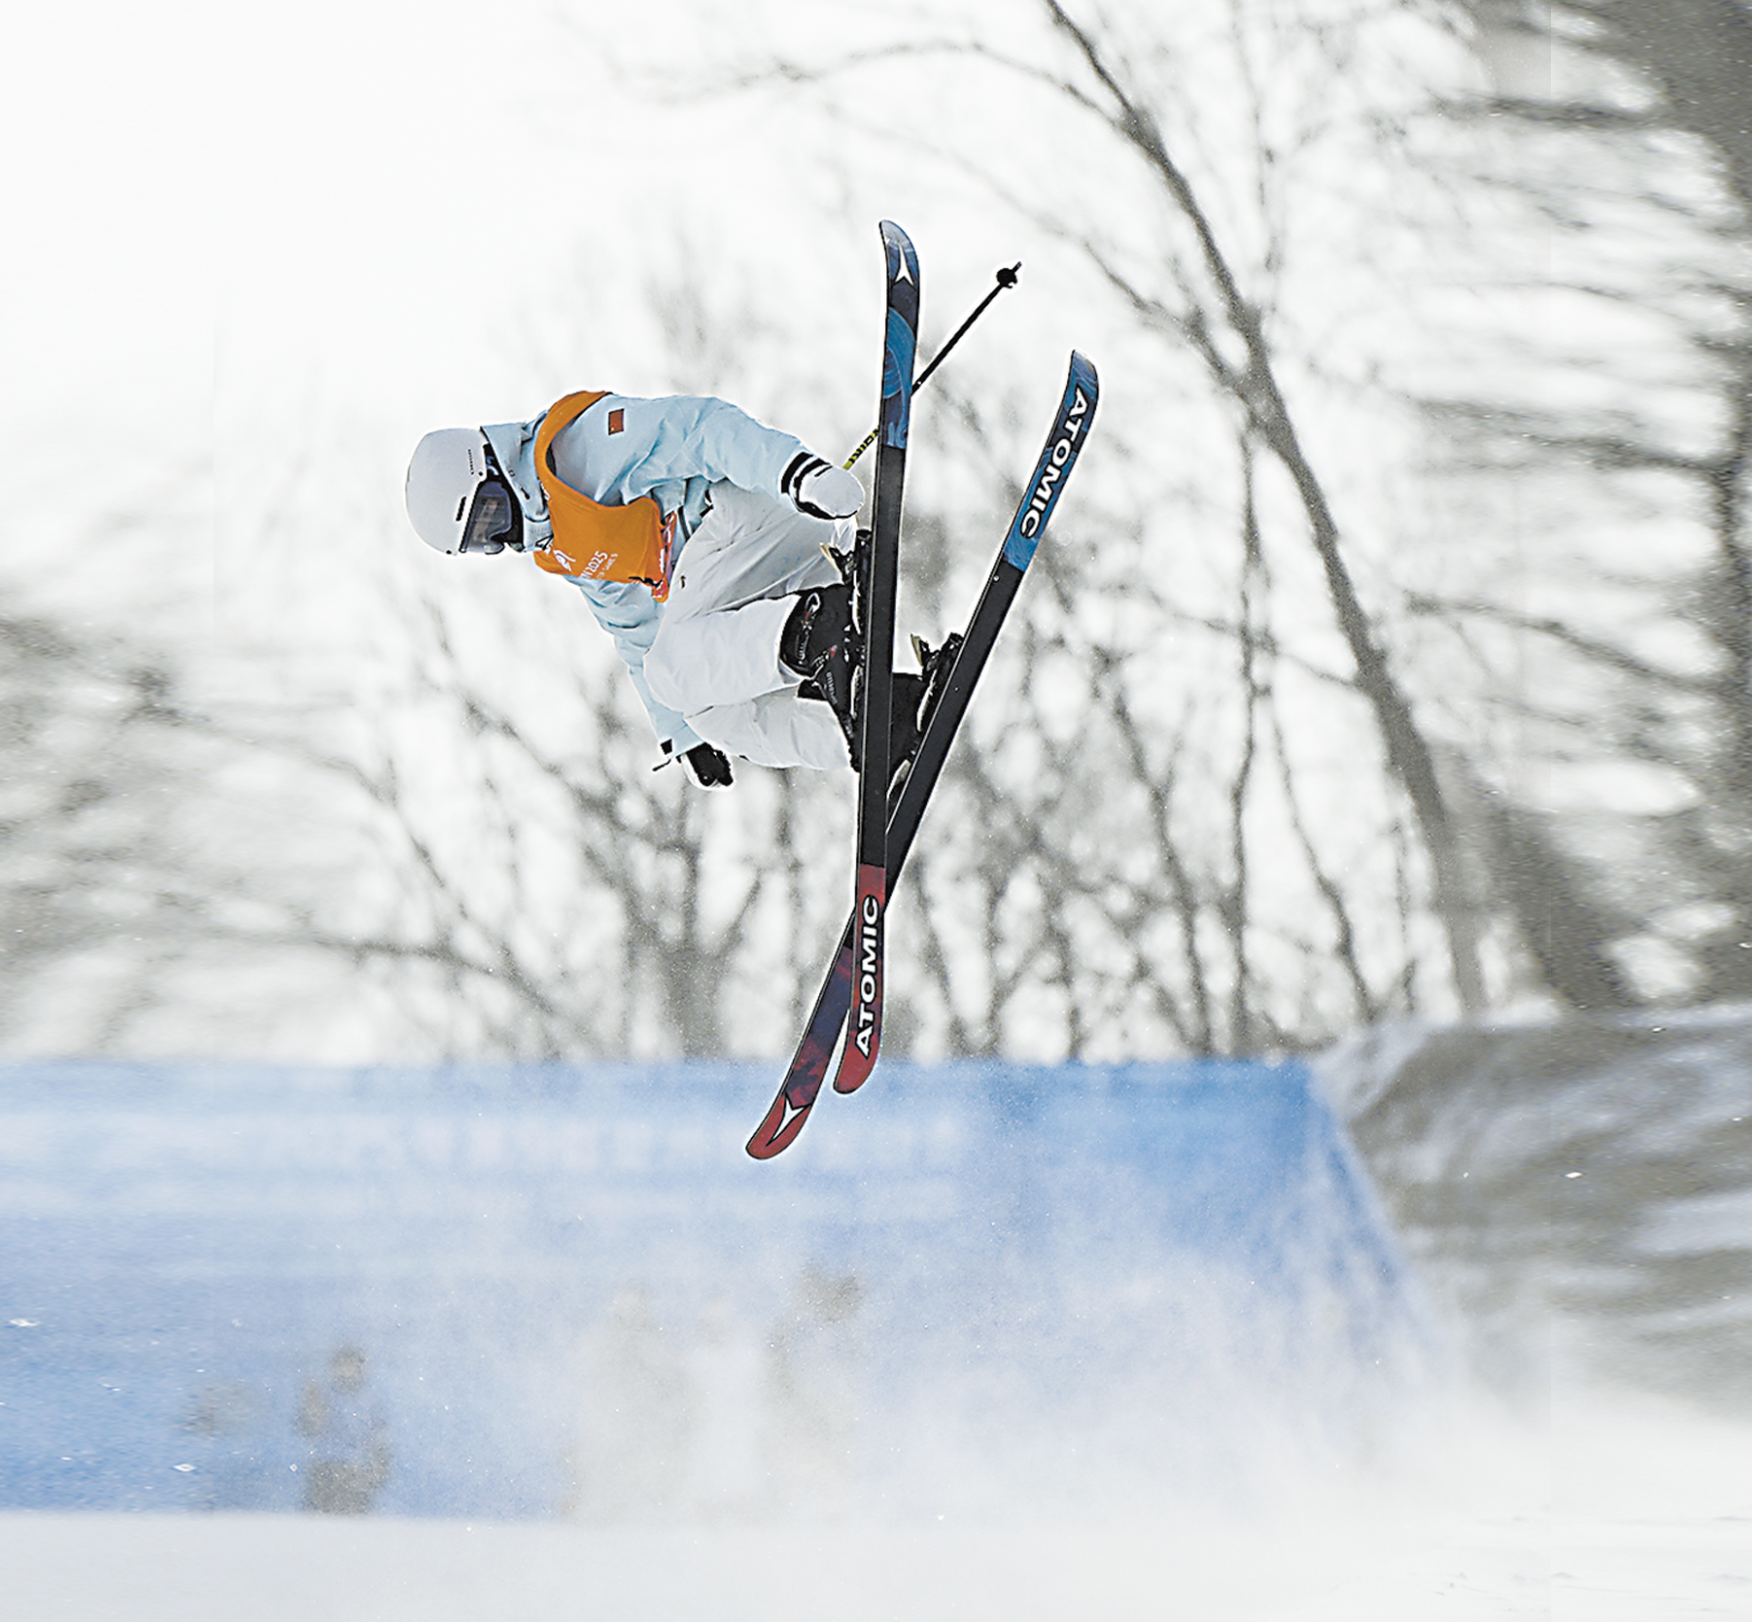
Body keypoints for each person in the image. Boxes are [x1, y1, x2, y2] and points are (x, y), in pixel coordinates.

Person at [405, 389, 928, 789]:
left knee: (672, 670)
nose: (502, 536)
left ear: (493, 466)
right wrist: (682, 735)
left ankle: (819, 634)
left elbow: (697, 429)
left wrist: (796, 473)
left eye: (492, 512)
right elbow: (632, 627)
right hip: (755, 570)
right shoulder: (563, 547)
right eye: (483, 541)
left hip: (759, 512)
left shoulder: (576, 451)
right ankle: (884, 726)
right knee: (708, 712)